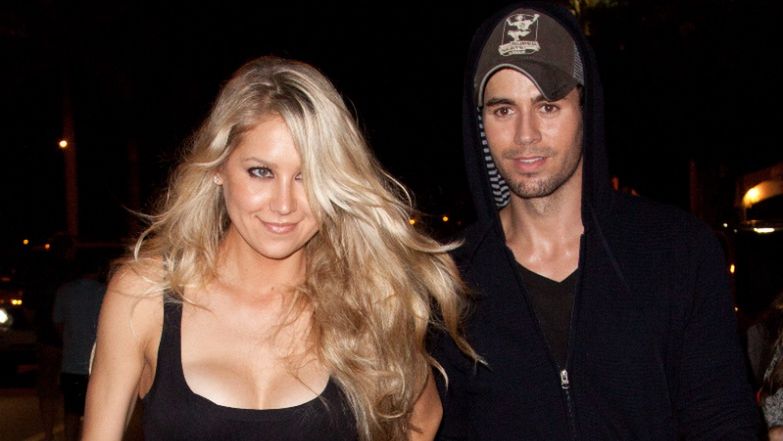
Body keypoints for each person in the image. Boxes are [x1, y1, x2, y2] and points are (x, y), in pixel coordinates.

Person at [82, 56, 476, 441]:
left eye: (308, 176)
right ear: (218, 168)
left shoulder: (368, 297)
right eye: (261, 172)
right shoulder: (145, 294)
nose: (284, 204)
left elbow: (423, 418)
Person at [431, 3, 760, 439]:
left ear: (585, 109)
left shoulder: (677, 253)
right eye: (503, 110)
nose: (525, 134)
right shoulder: (448, 282)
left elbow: (724, 422)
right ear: (480, 123)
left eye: (548, 106)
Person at [53, 256, 107, 441]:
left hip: (71, 362)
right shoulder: (104, 292)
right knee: (95, 413)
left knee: (71, 412)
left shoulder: (65, 291)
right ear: (98, 270)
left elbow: (58, 322)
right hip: (97, 364)